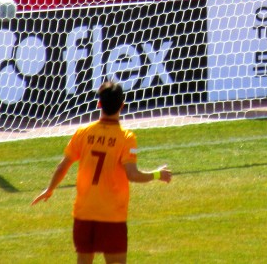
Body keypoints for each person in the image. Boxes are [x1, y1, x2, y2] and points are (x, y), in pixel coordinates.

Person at [32, 81, 172, 263]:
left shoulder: (83, 132)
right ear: (122, 106)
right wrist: (157, 174)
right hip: (112, 215)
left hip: (84, 213)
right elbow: (133, 175)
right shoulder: (126, 138)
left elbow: (63, 165)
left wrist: (50, 188)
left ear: (99, 104)